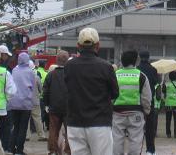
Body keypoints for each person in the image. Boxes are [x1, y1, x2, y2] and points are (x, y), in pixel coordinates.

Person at [64, 27, 119, 155]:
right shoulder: (106, 67)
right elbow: (115, 93)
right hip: (100, 123)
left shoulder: (69, 66)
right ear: (98, 45)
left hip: (75, 123)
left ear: (78, 45)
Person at [112, 50, 152, 155]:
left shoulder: (115, 75)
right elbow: (146, 98)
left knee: (116, 139)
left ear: (122, 61)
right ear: (136, 61)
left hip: (117, 113)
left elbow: (109, 95)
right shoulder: (141, 76)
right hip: (136, 113)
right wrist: (146, 111)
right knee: (136, 140)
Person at [43, 50, 71, 155]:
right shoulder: (71, 74)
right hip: (69, 108)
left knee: (53, 130)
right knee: (69, 131)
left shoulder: (50, 74)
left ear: (56, 60)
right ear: (67, 61)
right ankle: (68, 151)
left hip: (54, 107)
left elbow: (45, 91)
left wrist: (46, 104)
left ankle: (53, 150)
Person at [8, 52, 36, 155]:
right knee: (23, 129)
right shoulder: (30, 72)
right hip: (25, 104)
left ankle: (11, 149)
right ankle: (19, 151)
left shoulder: (14, 70)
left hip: (14, 103)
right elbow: (33, 88)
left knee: (15, 127)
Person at [137, 50, 158, 155]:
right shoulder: (153, 69)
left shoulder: (137, 69)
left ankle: (137, 150)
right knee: (150, 128)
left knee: (137, 129)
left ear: (139, 57)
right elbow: (155, 83)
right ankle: (150, 150)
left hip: (137, 103)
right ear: (149, 57)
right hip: (150, 102)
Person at [26, 60, 46, 142]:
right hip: (35, 101)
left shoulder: (24, 76)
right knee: (38, 118)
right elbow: (41, 90)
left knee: (26, 119)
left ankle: (26, 135)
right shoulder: (37, 77)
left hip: (26, 101)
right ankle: (41, 135)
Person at [163, 71, 176, 138]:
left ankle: (168, 134)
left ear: (169, 77)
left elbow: (163, 91)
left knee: (168, 120)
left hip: (168, 104)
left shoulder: (166, 84)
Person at [37, 60, 49, 130]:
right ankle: (41, 128)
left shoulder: (34, 71)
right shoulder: (45, 74)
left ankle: (34, 128)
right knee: (43, 112)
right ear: (44, 65)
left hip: (34, 96)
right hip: (42, 96)